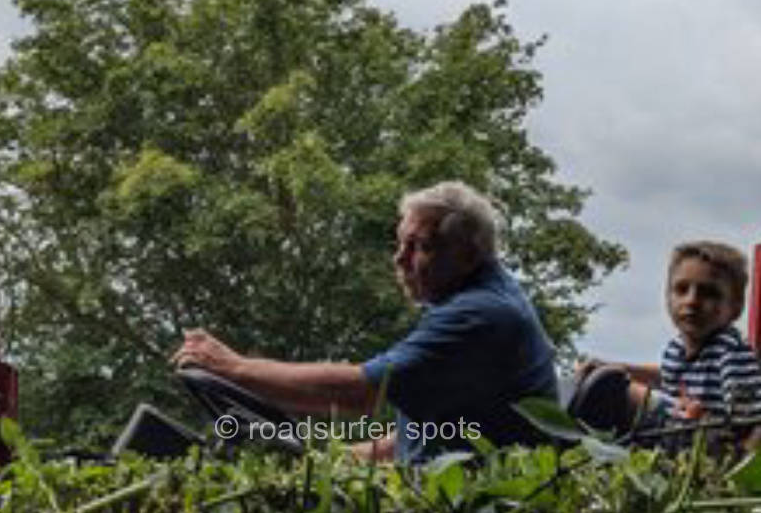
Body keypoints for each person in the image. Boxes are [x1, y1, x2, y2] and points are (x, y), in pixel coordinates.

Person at [170, 181, 560, 463]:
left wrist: (232, 368)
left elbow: (361, 394)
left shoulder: (477, 316)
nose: (399, 259)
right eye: (399, 244)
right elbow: (435, 428)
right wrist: (338, 458)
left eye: (420, 247)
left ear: (468, 253)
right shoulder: (477, 301)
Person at [574, 241, 761, 454]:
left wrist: (739, 470)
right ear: (667, 298)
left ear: (736, 307)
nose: (692, 301)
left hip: (710, 448)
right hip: (678, 440)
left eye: (709, 293)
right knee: (608, 380)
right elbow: (667, 377)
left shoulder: (731, 353)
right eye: (681, 289)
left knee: (609, 387)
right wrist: (618, 367)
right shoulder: (676, 348)